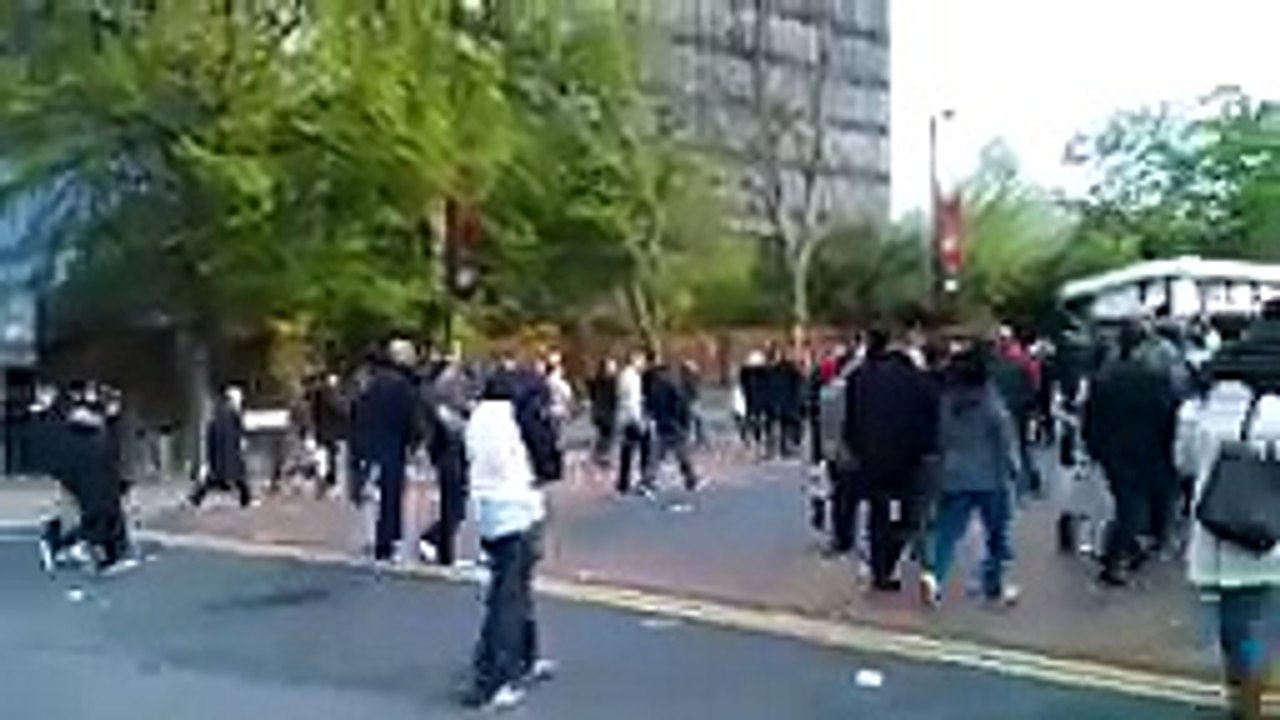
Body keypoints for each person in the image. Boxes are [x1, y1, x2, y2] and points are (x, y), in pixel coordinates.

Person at [461, 370, 556, 711]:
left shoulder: (477, 416)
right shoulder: (518, 415)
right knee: (509, 595)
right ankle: (493, 679)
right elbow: (549, 461)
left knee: (512, 586)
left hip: (486, 508)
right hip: (517, 506)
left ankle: (526, 657)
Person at [920, 347, 1021, 608]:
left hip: (954, 474)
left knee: (946, 533)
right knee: (996, 536)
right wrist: (1015, 471)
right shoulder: (991, 401)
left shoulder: (948, 401)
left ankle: (934, 577)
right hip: (991, 478)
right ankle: (994, 586)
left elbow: (941, 438)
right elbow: (1004, 439)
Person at [843, 329, 941, 592]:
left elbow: (850, 419)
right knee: (908, 516)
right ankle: (892, 560)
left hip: (870, 458)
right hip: (908, 460)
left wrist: (856, 449)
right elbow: (931, 420)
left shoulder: (859, 378)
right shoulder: (919, 381)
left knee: (878, 513)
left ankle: (879, 569)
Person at [1084, 323, 1181, 587]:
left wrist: (1093, 446)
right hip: (1147, 450)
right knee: (1133, 506)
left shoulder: (1104, 377)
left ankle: (1123, 550)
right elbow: (1168, 415)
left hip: (1112, 450)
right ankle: (1114, 558)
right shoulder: (1155, 378)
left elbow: (1091, 417)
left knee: (1126, 501)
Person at [360, 338, 424, 563]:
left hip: (371, 445)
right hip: (393, 446)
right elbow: (411, 418)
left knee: (372, 494)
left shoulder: (373, 382)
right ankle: (388, 542)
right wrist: (416, 442)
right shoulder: (404, 385)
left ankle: (373, 540)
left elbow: (358, 413)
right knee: (391, 497)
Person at [418, 354, 473, 567]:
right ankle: (436, 543)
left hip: (448, 457)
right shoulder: (443, 411)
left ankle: (442, 549)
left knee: (454, 506)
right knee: (454, 506)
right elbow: (452, 433)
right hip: (450, 457)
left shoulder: (439, 404)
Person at [641, 356, 700, 493]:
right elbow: (681, 404)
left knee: (656, 455)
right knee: (682, 454)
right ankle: (691, 480)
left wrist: (653, 417)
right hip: (675, 423)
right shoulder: (673, 384)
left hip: (661, 422)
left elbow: (650, 405)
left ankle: (647, 481)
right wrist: (684, 422)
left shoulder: (654, 386)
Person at [190, 386, 251, 509]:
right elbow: (239, 431)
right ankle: (246, 500)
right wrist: (241, 442)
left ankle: (196, 498)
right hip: (230, 452)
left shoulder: (219, 413)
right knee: (239, 477)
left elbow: (212, 431)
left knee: (216, 477)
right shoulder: (233, 413)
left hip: (221, 452)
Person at [307, 373, 348, 497]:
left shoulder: (316, 394)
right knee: (331, 457)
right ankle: (329, 482)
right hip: (332, 431)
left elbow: (314, 414)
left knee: (325, 457)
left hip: (323, 430)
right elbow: (340, 409)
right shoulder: (329, 394)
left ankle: (323, 482)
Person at [615, 352, 650, 495]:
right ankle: (644, 481)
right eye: (641, 361)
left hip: (624, 417)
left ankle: (623, 483)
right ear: (635, 361)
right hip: (632, 417)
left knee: (627, 450)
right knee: (645, 449)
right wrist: (639, 420)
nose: (643, 364)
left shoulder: (624, 375)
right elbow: (632, 401)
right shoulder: (633, 377)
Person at [586, 358, 619, 466]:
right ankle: (603, 456)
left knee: (603, 434)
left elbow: (592, 394)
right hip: (607, 411)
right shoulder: (612, 381)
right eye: (612, 366)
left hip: (597, 411)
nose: (614, 368)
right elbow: (615, 397)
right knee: (608, 435)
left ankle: (598, 454)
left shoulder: (596, 380)